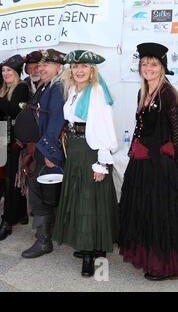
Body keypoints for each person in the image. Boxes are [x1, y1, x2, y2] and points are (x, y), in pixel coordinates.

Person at [52, 50, 119, 277]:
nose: (79, 70)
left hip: (91, 150)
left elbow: (103, 127)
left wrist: (102, 163)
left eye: (84, 66)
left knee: (89, 198)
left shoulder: (97, 91)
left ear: (92, 70)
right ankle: (91, 244)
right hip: (76, 147)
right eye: (75, 66)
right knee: (81, 196)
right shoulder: (73, 90)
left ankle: (90, 254)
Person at [119, 42, 178, 281]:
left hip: (160, 164)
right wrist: (135, 146)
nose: (148, 68)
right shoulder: (143, 92)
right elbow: (140, 126)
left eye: (153, 64)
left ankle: (165, 266)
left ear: (162, 67)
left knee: (159, 213)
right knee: (143, 209)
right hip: (143, 162)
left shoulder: (168, 94)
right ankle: (148, 257)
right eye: (144, 64)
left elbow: (176, 132)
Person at [21, 49, 67, 258]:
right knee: (41, 191)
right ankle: (47, 234)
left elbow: (57, 122)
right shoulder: (47, 85)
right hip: (39, 147)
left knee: (40, 194)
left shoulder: (57, 88)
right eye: (39, 65)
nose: (41, 68)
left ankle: (44, 241)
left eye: (46, 65)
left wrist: (51, 153)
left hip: (46, 149)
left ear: (58, 67)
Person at [0, 54, 30, 241]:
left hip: (15, 139)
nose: (5, 73)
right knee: (8, 179)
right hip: (2, 136)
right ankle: (20, 213)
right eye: (3, 70)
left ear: (17, 72)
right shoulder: (4, 88)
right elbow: (2, 112)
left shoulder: (21, 87)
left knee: (11, 181)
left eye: (9, 70)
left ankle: (7, 222)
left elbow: (17, 110)